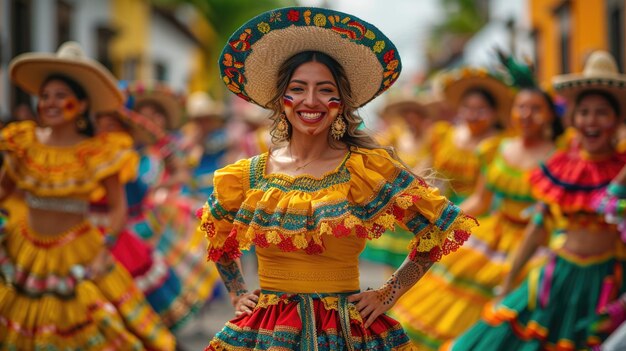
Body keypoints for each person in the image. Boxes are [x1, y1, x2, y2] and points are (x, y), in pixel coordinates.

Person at [197, 7, 478, 350]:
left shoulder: (365, 168)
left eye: (324, 89)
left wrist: (388, 293)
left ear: (341, 101)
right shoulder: (246, 176)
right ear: (280, 100)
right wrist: (238, 292)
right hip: (266, 333)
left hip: (344, 332)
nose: (310, 101)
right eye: (298, 88)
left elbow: (436, 229)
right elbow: (219, 239)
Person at [445, 50, 626, 351]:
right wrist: (508, 282)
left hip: (607, 283)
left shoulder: (621, 169)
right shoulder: (561, 166)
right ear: (572, 119)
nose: (591, 121)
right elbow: (538, 228)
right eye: (584, 112)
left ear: (617, 119)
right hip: (557, 277)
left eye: (601, 113)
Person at [0, 41, 175, 349]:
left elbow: (118, 208)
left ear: (81, 106)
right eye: (45, 96)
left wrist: (103, 250)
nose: (50, 103)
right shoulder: (23, 142)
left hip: (79, 252)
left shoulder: (97, 153)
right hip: (23, 250)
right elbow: (3, 191)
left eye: (61, 96)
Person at [390, 55, 563, 350]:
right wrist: (441, 219)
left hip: (536, 242)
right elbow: (481, 200)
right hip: (491, 232)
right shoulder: (496, 149)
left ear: (549, 115)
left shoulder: (559, 156)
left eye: (536, 109)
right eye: (522, 107)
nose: (527, 114)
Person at [425, 67, 513, 204]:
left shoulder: (499, 144)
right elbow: (429, 172)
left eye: (481, 109)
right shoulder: (444, 134)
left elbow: (481, 199)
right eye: (467, 107)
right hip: (443, 205)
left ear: (495, 113)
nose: (473, 115)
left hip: (481, 213)